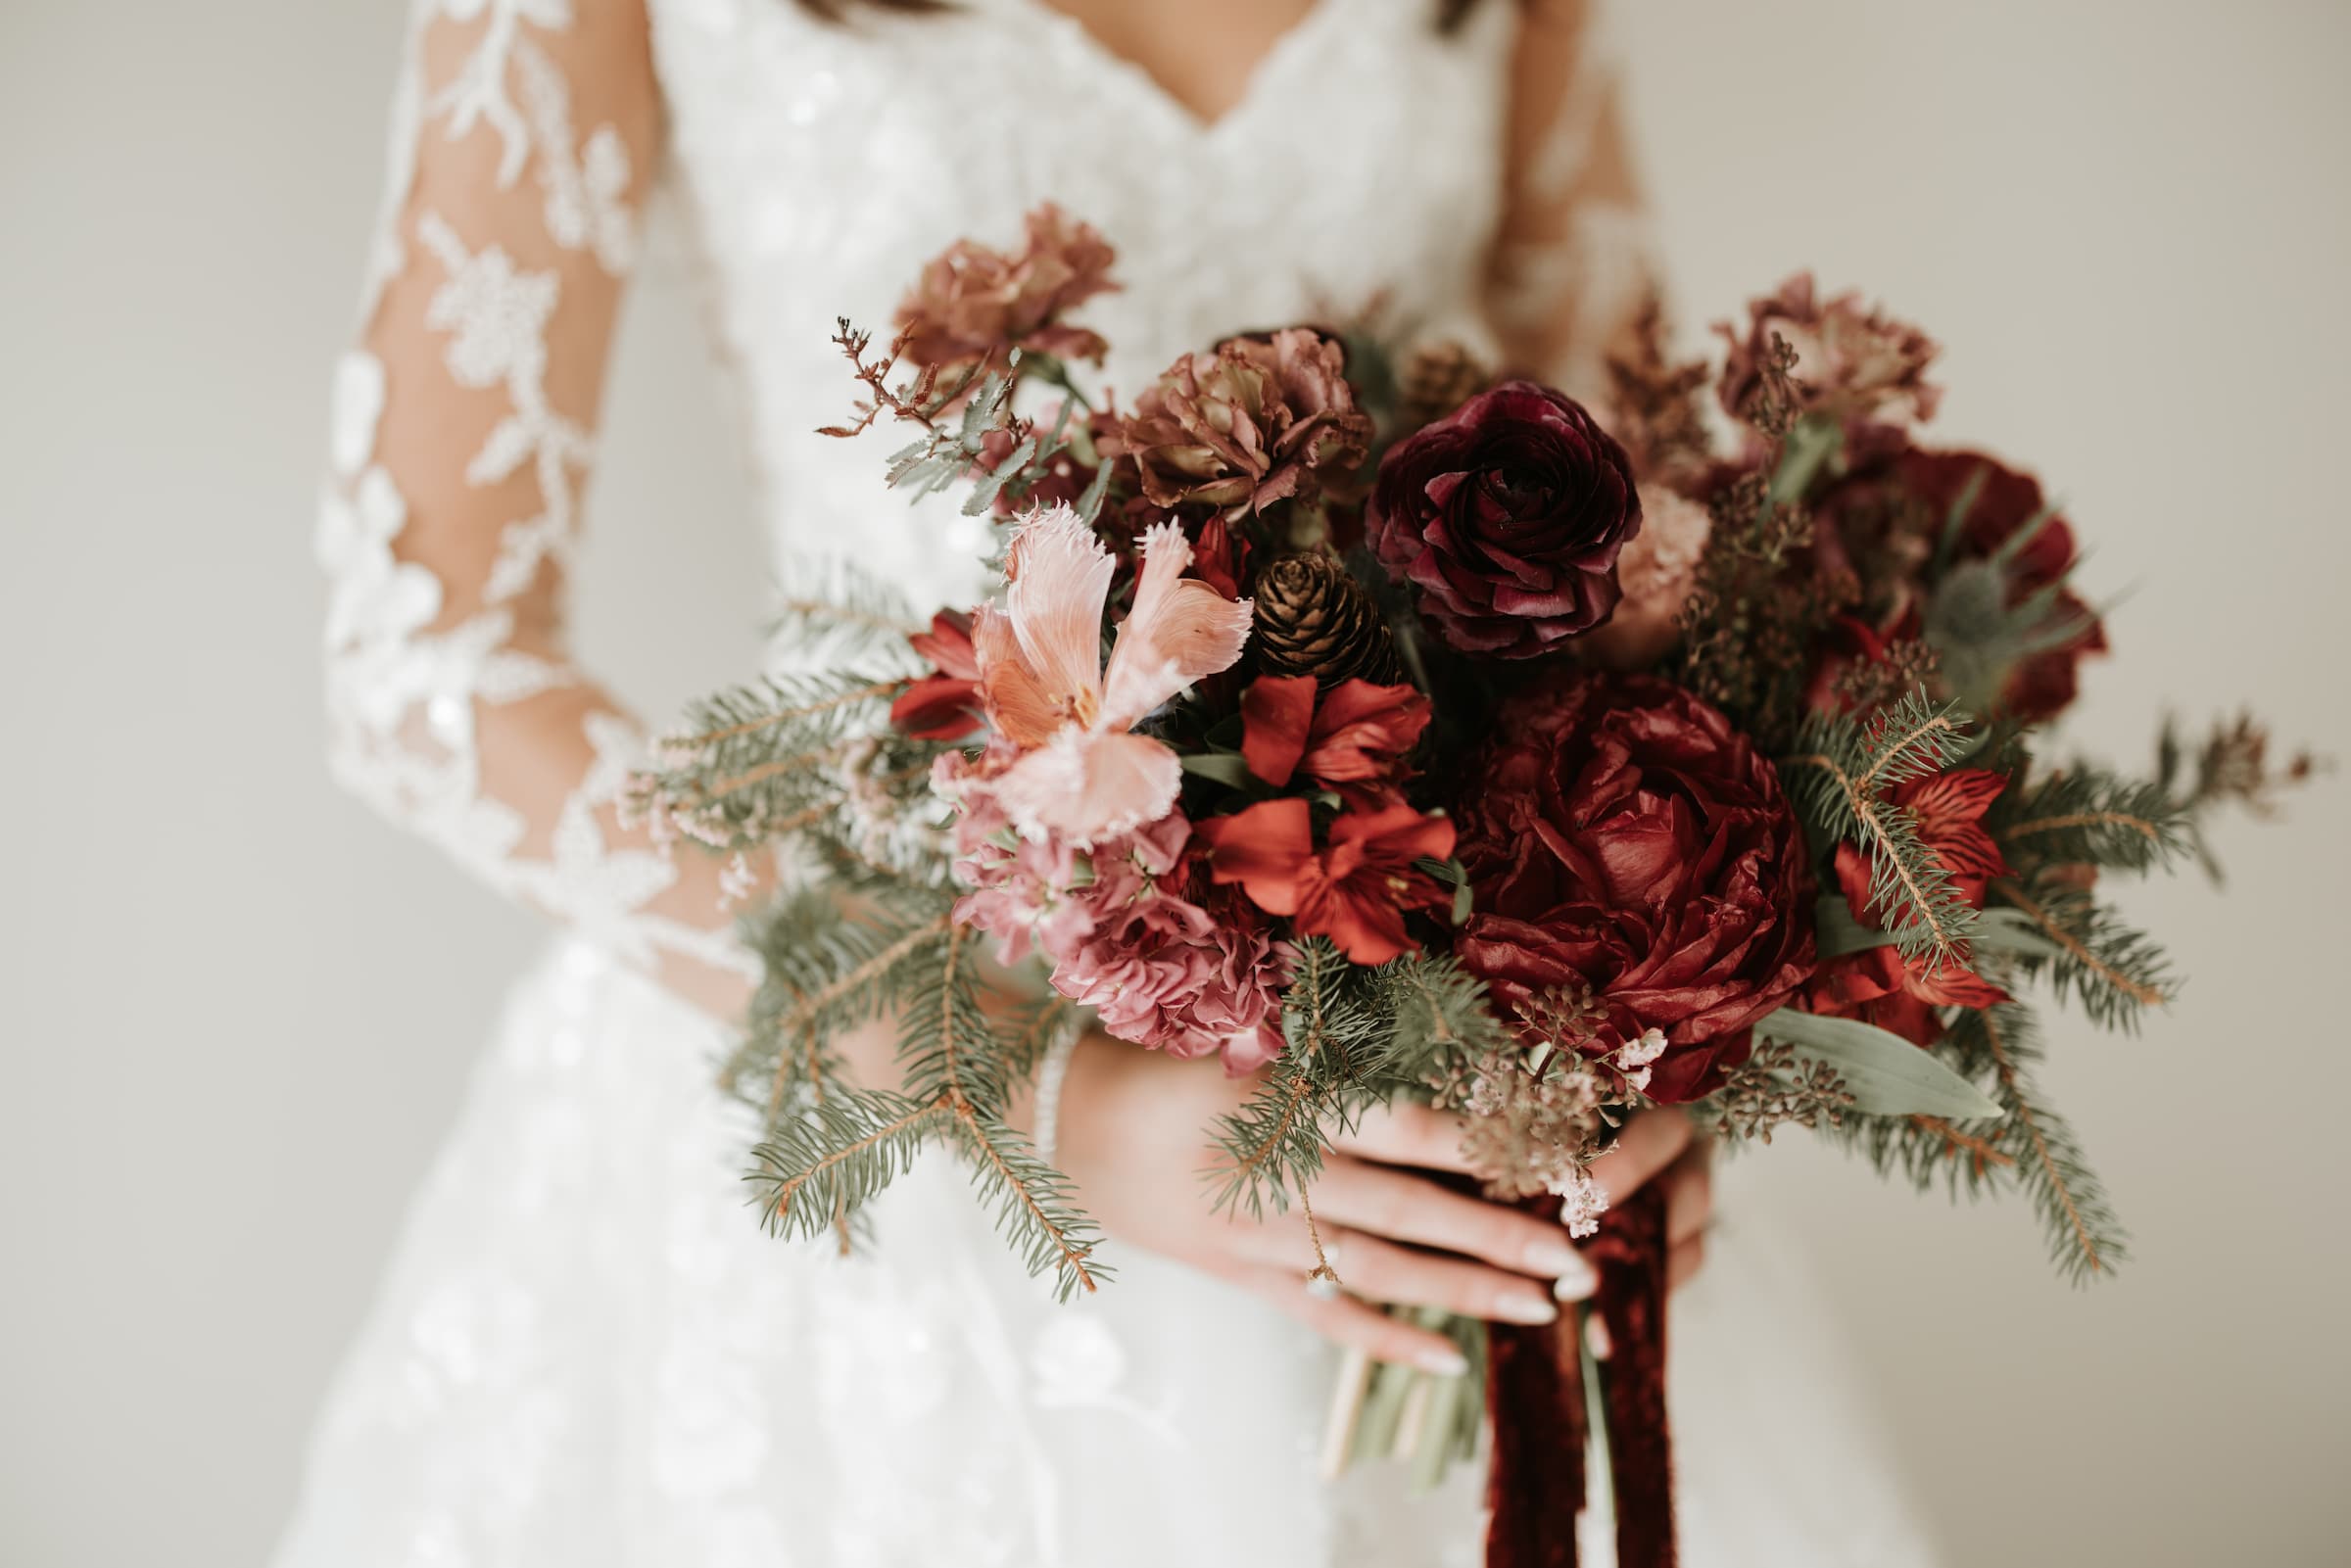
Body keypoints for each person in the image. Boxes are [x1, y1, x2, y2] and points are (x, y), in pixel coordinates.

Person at [291, 1, 1934, 1561]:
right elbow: (428, 662)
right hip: (900, 1107)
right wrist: (1042, 1099)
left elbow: (1616, 538)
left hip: (1415, 1100)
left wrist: (1632, 1042)